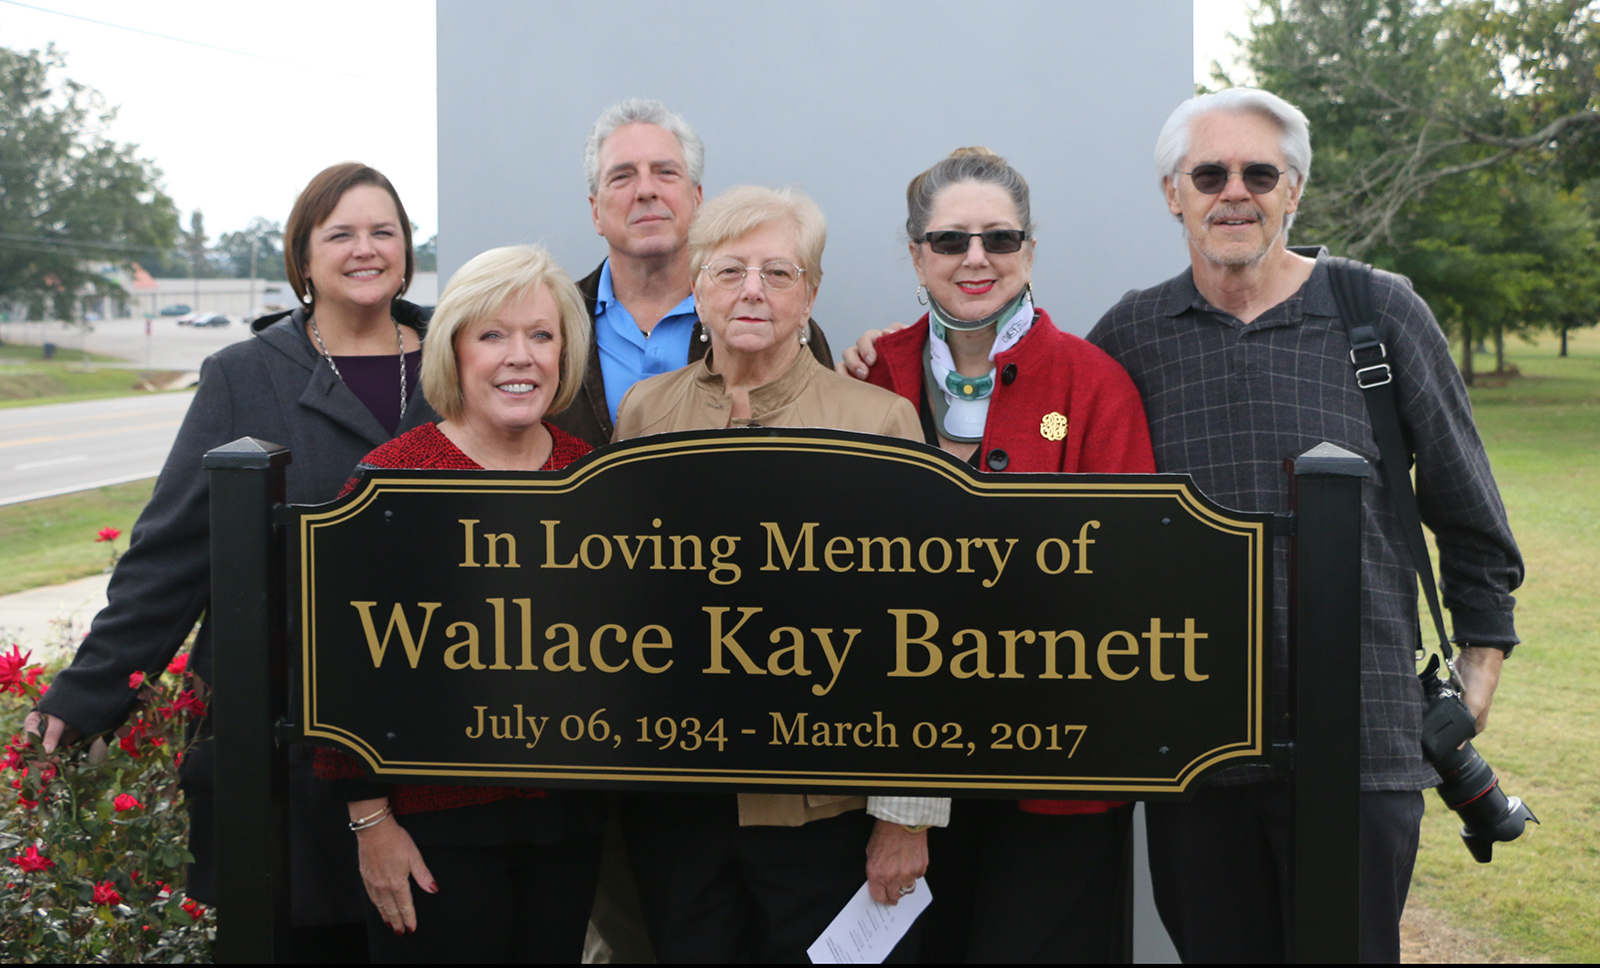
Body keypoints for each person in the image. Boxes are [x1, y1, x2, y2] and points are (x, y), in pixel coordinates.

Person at [1083, 88, 1524, 962]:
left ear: (1294, 191)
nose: (1233, 193)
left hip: (1361, 735)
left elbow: (1468, 506)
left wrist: (1480, 664)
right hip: (1193, 738)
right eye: (1209, 174)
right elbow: (1058, 444)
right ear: (1173, 193)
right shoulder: (1132, 333)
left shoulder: (1378, 312)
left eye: (1259, 174)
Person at [26, 162, 438, 958]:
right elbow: (171, 555)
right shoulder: (243, 377)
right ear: (302, 256)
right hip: (280, 744)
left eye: (383, 231)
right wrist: (85, 695)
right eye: (341, 234)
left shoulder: (462, 361)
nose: (365, 249)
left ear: (407, 251)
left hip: (437, 744)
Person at [612, 184, 939, 963]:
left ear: (810, 295)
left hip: (824, 810)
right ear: (698, 290)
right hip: (678, 805)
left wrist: (906, 814)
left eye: (778, 273)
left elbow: (924, 632)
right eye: (729, 271)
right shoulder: (645, 414)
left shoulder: (877, 422)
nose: (752, 290)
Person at [852, 147, 1155, 962]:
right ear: (917, 253)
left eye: (1000, 238)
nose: (976, 258)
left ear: (1030, 247)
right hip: (902, 764)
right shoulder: (873, 376)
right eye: (951, 241)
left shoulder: (1093, 384)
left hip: (1057, 769)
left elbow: (1129, 584)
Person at [314, 244, 604, 962]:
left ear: (565, 354)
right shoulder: (389, 483)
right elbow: (338, 672)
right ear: (454, 351)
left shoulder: (595, 479)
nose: (520, 357)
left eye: (541, 335)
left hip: (566, 827)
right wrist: (370, 822)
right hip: (430, 833)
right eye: (493, 335)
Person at [551, 97, 833, 449]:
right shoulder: (554, 323)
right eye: (622, 176)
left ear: (698, 199)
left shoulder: (777, 324)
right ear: (596, 212)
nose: (646, 190)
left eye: (665, 172)